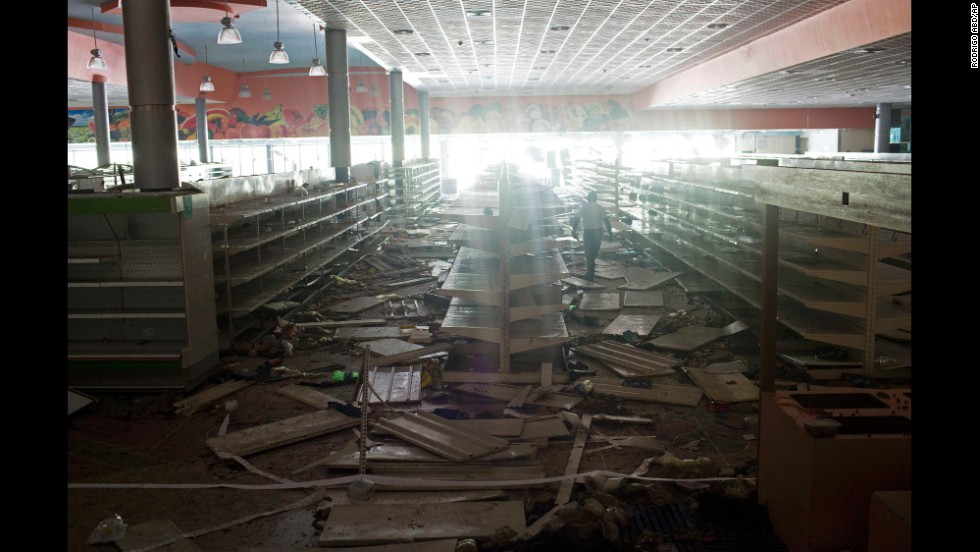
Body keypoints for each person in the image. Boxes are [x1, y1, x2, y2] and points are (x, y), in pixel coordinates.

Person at [571, 190, 613, 282]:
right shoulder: (600, 208)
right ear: (596, 198)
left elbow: (576, 220)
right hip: (598, 232)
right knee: (594, 252)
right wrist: (610, 234)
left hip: (588, 232)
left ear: (588, 198)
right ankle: (590, 272)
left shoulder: (584, 207)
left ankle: (590, 273)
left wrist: (573, 231)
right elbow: (606, 221)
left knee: (588, 252)